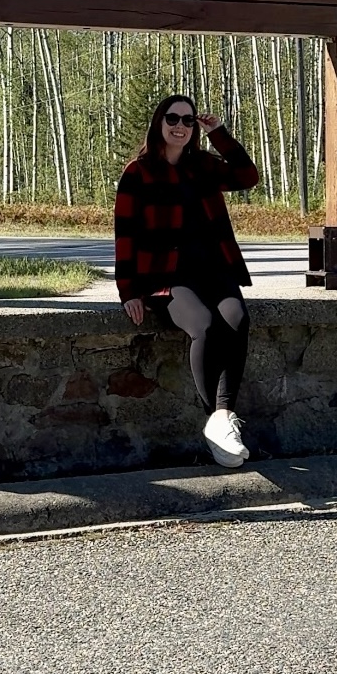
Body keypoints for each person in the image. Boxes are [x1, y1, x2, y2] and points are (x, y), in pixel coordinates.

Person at [114, 94, 259, 467]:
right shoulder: (139, 172)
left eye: (188, 120)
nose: (180, 126)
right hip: (166, 275)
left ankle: (221, 418)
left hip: (214, 269)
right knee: (205, 326)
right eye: (173, 118)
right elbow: (125, 233)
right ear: (159, 123)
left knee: (237, 319)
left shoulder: (203, 166)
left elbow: (247, 176)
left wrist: (219, 133)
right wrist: (128, 290)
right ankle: (219, 423)